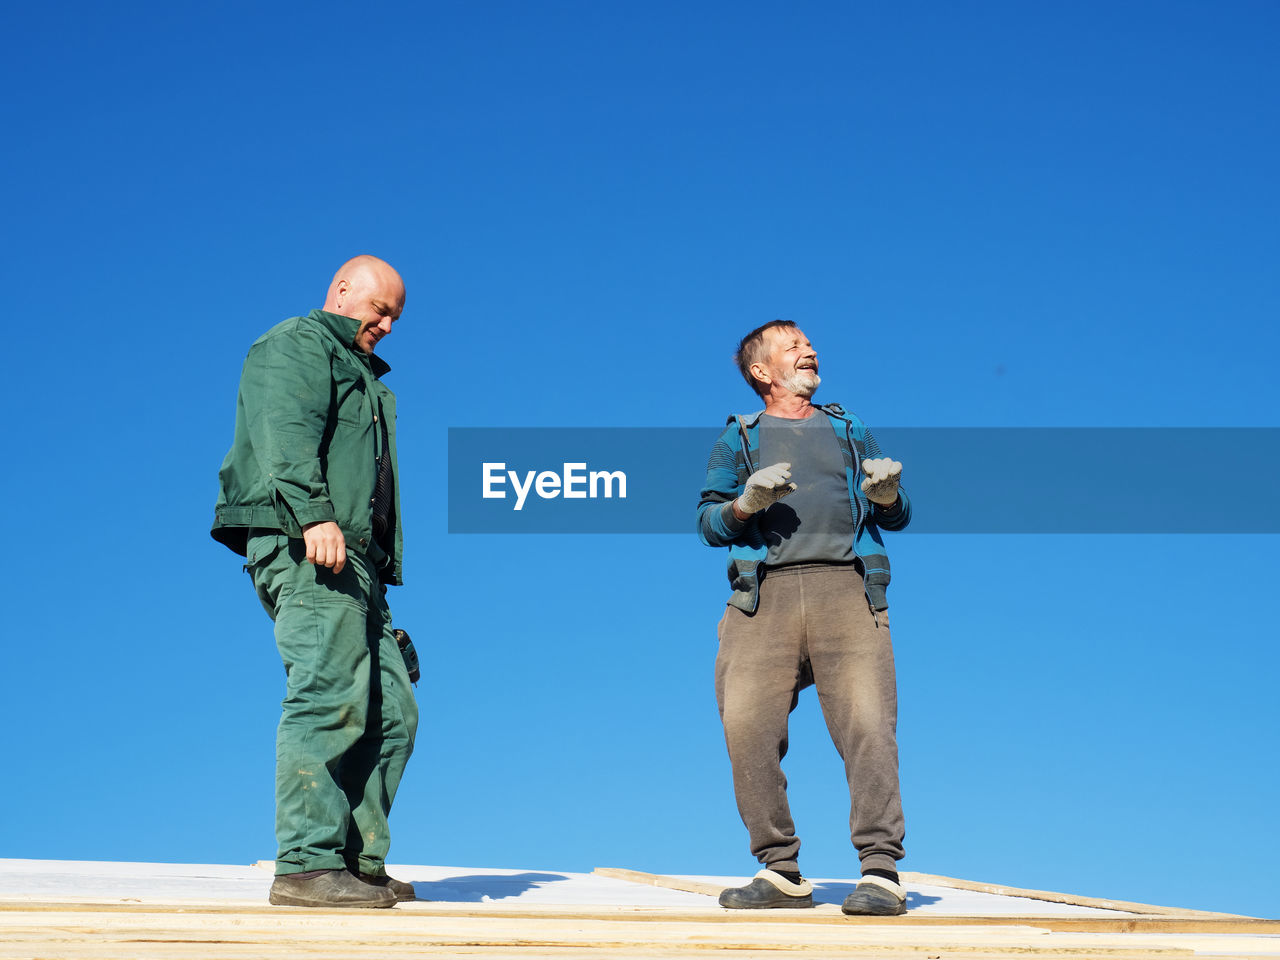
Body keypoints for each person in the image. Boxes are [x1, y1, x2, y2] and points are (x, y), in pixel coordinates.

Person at [212, 255, 418, 909]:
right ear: (342, 291)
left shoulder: (369, 382)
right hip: (307, 543)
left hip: (358, 566)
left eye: (395, 317)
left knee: (393, 713)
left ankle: (355, 865)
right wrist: (314, 515)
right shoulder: (297, 344)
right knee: (328, 694)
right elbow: (287, 431)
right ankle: (305, 867)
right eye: (378, 308)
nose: (385, 324)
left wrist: (380, 586)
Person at [696, 320, 912, 916]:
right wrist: (747, 503)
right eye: (792, 346)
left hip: (847, 591)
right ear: (762, 372)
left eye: (808, 344)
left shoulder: (848, 428)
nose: (808, 350)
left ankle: (880, 872)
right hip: (762, 600)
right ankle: (780, 871)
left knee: (869, 728)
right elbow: (709, 524)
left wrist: (889, 494)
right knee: (748, 731)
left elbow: (893, 513)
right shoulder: (738, 438)